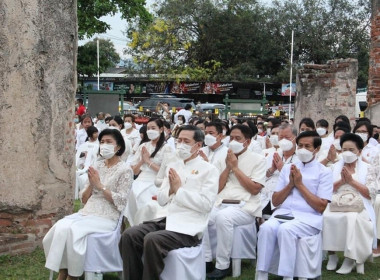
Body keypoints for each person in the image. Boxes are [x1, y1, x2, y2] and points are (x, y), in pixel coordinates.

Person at [119, 125, 219, 280]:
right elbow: (161, 199)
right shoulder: (174, 166)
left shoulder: (209, 170)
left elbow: (206, 205)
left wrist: (178, 191)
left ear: (198, 145)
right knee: (129, 235)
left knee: (152, 240)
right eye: (179, 140)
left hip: (189, 227)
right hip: (166, 219)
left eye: (186, 141)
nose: (181, 144)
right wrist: (171, 191)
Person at [43, 129, 133, 280]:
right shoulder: (97, 165)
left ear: (118, 147)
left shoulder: (125, 170)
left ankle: (73, 275)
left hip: (108, 215)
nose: (104, 145)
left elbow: (121, 201)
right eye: (102, 142)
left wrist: (100, 186)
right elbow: (84, 199)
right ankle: (63, 270)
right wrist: (91, 185)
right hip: (88, 211)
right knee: (61, 227)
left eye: (109, 142)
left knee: (75, 231)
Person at [255, 131, 333, 280]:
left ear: (316, 149)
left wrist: (299, 184)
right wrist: (291, 184)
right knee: (265, 228)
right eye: (300, 145)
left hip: (308, 218)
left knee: (286, 230)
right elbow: (276, 201)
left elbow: (321, 207)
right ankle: (261, 274)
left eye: (307, 146)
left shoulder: (324, 172)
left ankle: (287, 276)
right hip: (283, 214)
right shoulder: (287, 168)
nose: (303, 149)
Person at [204, 124, 266, 279]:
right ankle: (206, 260)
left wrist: (236, 169)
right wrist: (227, 167)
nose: (233, 141)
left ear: (248, 142)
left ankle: (223, 266)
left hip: (246, 206)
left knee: (223, 217)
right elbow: (217, 188)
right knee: (202, 213)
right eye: (231, 138)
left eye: (238, 138)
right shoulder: (225, 156)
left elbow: (254, 189)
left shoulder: (258, 160)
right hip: (221, 201)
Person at [323, 133, 376, 274]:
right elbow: (326, 190)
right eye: (344, 149)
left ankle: (350, 258)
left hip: (359, 204)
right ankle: (332, 255)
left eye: (351, 150)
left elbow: (370, 193)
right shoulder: (335, 167)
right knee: (325, 216)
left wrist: (351, 181)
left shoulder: (367, 168)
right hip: (337, 202)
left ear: (359, 151)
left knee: (351, 218)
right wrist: (341, 181)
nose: (347, 153)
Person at [125, 118, 173, 226]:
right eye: (148, 128)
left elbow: (165, 171)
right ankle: (135, 226)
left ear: (161, 129)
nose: (150, 131)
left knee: (146, 201)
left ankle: (145, 225)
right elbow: (135, 171)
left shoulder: (166, 148)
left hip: (156, 181)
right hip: (141, 179)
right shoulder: (143, 146)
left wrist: (148, 161)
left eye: (153, 128)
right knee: (133, 193)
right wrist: (142, 160)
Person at [262, 124, 299, 217]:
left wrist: (283, 169)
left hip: (286, 197)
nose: (284, 140)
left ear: (295, 138)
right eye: (281, 137)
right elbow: (261, 178)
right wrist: (272, 170)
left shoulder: (300, 158)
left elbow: (299, 182)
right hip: (265, 196)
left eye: (287, 137)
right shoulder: (273, 155)